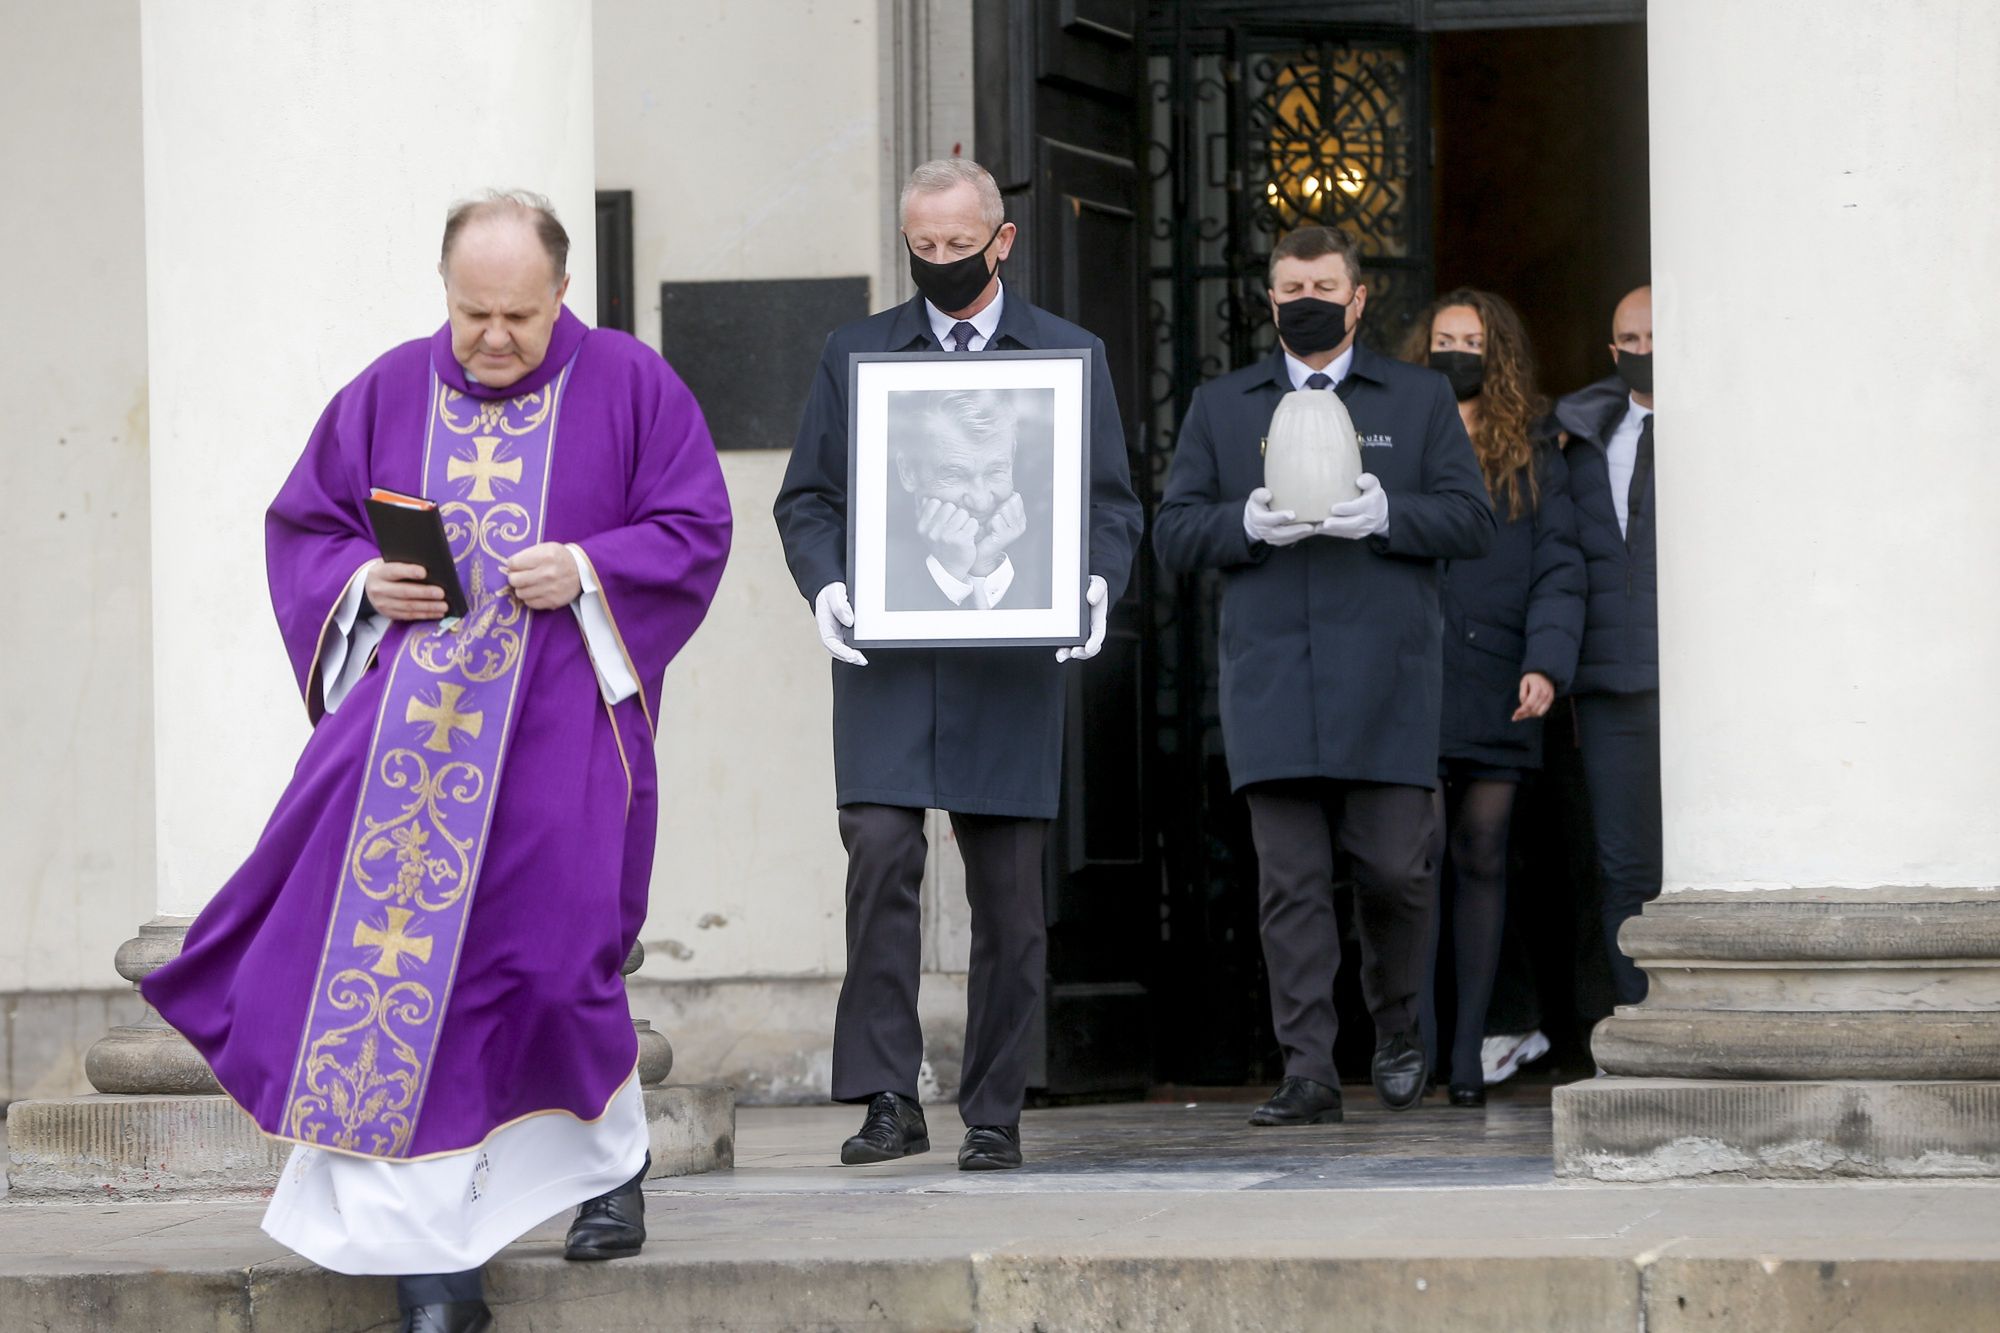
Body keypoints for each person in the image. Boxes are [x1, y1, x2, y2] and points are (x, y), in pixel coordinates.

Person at [142, 191, 733, 1333]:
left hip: (561, 719)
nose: (495, 339)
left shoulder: (630, 385)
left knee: (561, 964)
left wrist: (587, 567)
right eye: (472, 314)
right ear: (444, 293)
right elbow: (308, 528)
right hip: (400, 749)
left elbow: (692, 528)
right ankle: (434, 1270)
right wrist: (366, 585)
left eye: (518, 314)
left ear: (562, 295)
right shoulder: (385, 388)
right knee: (384, 979)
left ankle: (605, 1167)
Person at [774, 157, 1142, 1171]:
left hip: (1006, 661)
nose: (939, 262)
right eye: (920, 247)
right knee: (881, 855)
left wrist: (1096, 584)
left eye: (956, 244)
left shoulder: (1067, 356)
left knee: (1010, 898)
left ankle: (995, 1108)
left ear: (1000, 240)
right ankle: (889, 1094)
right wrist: (828, 585)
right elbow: (807, 498)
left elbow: (1109, 502)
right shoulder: (854, 355)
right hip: (888, 663)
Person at [1153, 225, 1495, 1126]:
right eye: (1291, 285)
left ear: (1357, 299)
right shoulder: (1225, 406)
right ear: (1271, 301)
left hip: (1387, 681)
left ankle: (1396, 1026)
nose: (1307, 297)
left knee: (1395, 873)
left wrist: (1390, 513)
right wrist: (1244, 524)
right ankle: (1307, 1066)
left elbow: (1470, 519)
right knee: (1290, 885)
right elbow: (1174, 529)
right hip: (1273, 682)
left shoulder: (1418, 399)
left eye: (1325, 283)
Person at [1398, 289, 1584, 1106]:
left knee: (1481, 855)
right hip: (1411, 677)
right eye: (1444, 340)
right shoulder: (1396, 436)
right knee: (1419, 861)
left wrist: (1547, 662)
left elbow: (1560, 566)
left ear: (1496, 353)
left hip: (1504, 676)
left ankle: (1471, 1053)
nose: (1457, 353)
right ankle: (1424, 1047)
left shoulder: (1538, 450)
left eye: (1471, 341)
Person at [1555, 284, 1659, 1006]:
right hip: (1608, 689)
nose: (1644, 353)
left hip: (1704, 688)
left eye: (1657, 338)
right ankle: (1636, 1026)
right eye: (1631, 341)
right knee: (1623, 868)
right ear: (1612, 350)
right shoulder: (1583, 437)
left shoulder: (1731, 434)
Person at [884, 388, 1043, 611]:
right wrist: (947, 570)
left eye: (995, 471)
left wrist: (986, 565)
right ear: (908, 471)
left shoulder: (1047, 549)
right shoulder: (877, 559)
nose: (980, 502)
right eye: (955, 475)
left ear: (1012, 458)